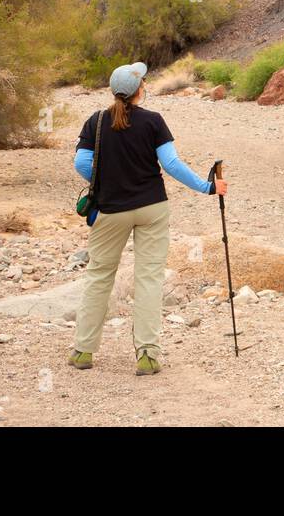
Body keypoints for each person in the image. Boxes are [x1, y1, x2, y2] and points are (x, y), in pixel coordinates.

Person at [66, 62, 227, 376]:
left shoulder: (96, 122)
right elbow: (172, 165)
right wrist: (208, 187)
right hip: (152, 207)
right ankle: (148, 356)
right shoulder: (153, 121)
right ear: (140, 89)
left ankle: (84, 351)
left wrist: (105, 180)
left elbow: (81, 163)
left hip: (111, 210)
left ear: (115, 91)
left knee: (99, 278)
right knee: (149, 279)